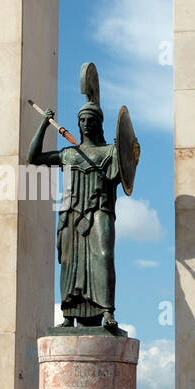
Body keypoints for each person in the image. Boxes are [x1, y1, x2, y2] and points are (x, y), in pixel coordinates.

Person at [27, 100, 120, 327]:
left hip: (99, 208)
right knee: (69, 261)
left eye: (91, 120)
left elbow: (123, 174)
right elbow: (33, 157)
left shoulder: (110, 151)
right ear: (78, 124)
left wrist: (125, 148)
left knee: (104, 256)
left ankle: (108, 312)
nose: (86, 124)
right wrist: (43, 125)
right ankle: (69, 313)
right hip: (70, 212)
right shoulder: (68, 154)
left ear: (99, 124)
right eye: (82, 120)